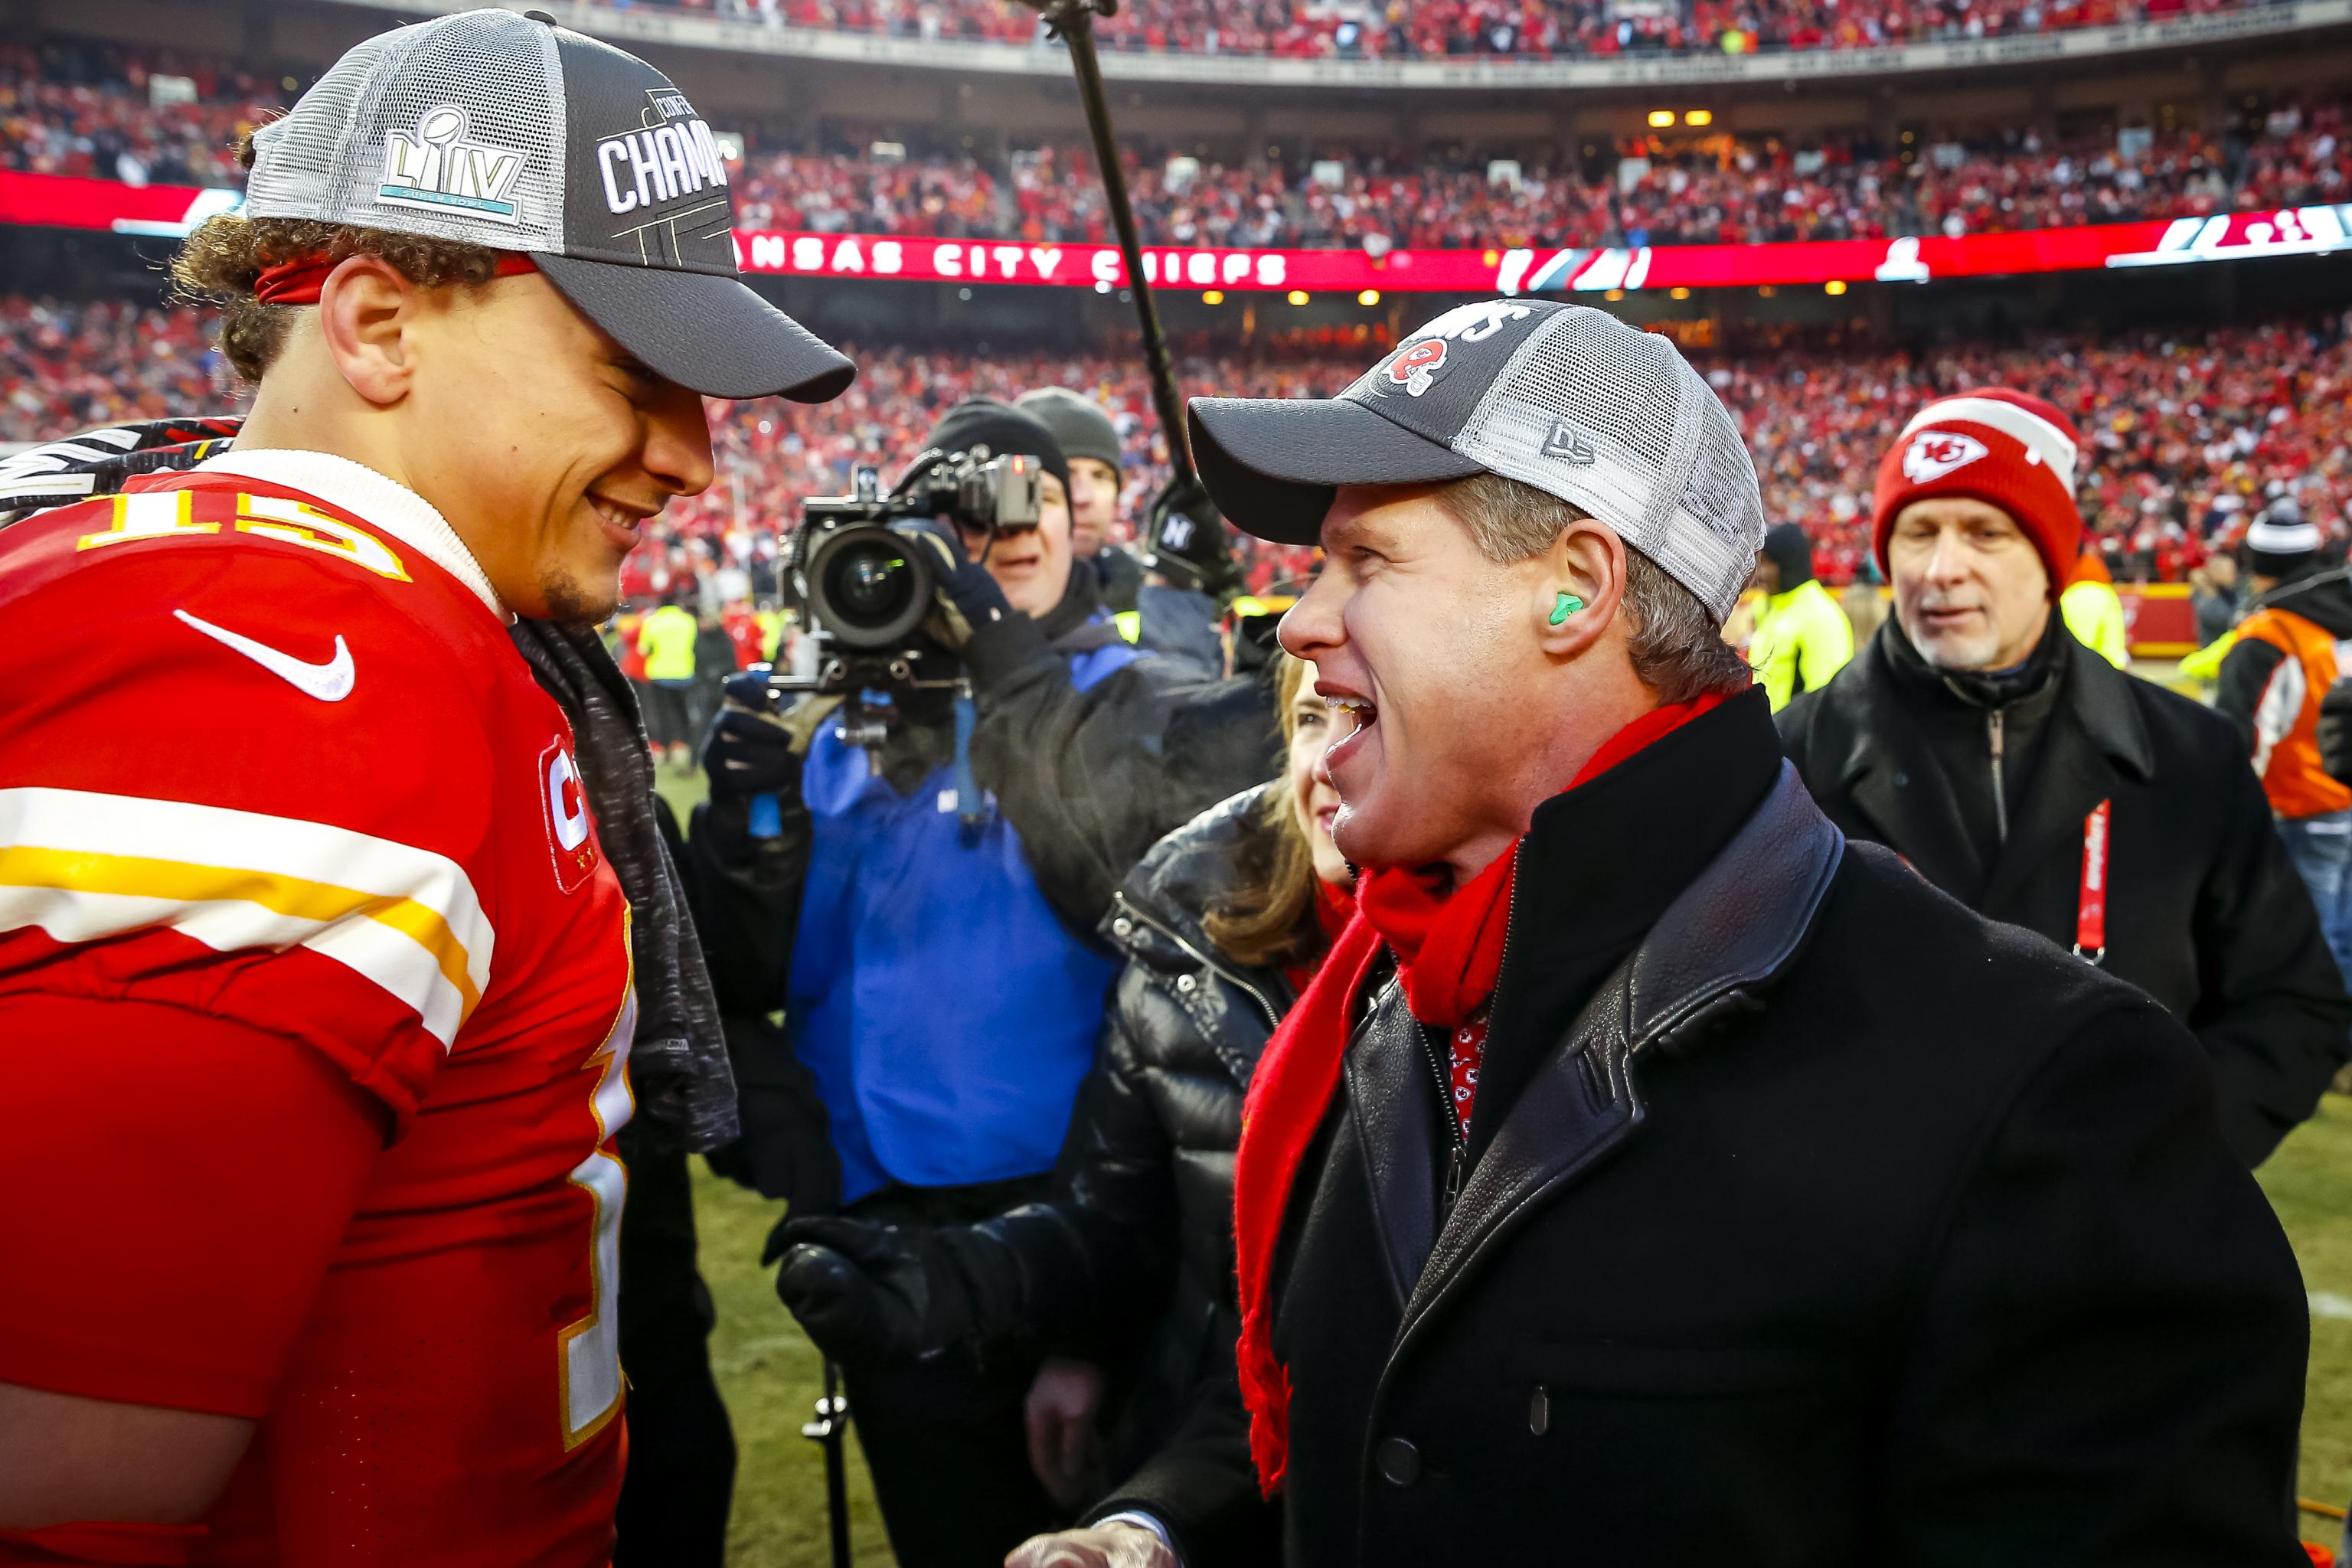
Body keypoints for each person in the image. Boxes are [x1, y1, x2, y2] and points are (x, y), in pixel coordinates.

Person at [1013, 300, 2309, 1568]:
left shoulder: (2043, 1088)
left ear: (1577, 588)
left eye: (1366, 562)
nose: (1297, 622)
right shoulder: (1390, 994)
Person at [0, 9, 852, 1563]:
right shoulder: (288, 642)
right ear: (378, 325)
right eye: (631, 369)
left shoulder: (384, 616)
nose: (692, 457)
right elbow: (66, 1492)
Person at [688, 397, 1278, 1568]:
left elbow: (1122, 884)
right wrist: (752, 824)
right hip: (899, 1239)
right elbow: (734, 976)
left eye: (1030, 495)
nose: (997, 527)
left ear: (1078, 523)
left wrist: (995, 640)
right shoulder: (843, 732)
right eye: (957, 506)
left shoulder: (1141, 697)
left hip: (1101, 1237)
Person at [766, 654, 1348, 1540]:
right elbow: (1119, 1221)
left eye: (1370, 715)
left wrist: (1161, 1512)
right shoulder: (1193, 924)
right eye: (1310, 719)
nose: (1329, 761)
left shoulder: (1507, 970)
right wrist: (945, 1283)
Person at [1781, 387, 2350, 1165]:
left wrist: (2163, 1155)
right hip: (1868, 1253)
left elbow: (2294, 1004)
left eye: (1986, 532)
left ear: (2051, 557)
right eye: (1917, 533)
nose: (1943, 569)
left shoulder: (2190, 754)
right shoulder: (1789, 760)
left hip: (2123, 1255)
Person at [2216, 509, 2352, 987]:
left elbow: (2245, 737)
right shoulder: (2340, 617)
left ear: (2256, 562)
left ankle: (2329, 1037)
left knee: (2312, 938)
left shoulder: (2271, 634)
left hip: (2304, 806)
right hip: (2340, 800)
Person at [1020, 386, 1224, 678]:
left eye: (1101, 476)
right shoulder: (976, 596)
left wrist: (1176, 581)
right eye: (1065, 473)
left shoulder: (1132, 584)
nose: (1084, 496)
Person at [1746, 521, 1854, 710]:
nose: (1759, 574)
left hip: (1792, 737)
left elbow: (1828, 698)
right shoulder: (1768, 607)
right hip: (1766, 732)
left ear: (1788, 565)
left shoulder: (1820, 616)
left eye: (1767, 565)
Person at [637, 593, 701, 764]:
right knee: (684, 712)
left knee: (663, 714)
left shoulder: (652, 621)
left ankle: (666, 749)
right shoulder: (688, 620)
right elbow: (695, 645)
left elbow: (643, 649)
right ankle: (685, 746)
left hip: (659, 674)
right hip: (685, 673)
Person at [2060, 544, 2132, 668]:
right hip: (2107, 593)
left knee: (2079, 646)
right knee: (2111, 648)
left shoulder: (2079, 568)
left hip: (2078, 593)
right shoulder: (2094, 565)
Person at [2194, 549, 2246, 647]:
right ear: (2216, 572)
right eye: (2230, 570)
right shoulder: (2207, 597)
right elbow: (2227, 622)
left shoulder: (2234, 592)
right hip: (2214, 654)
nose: (2235, 574)